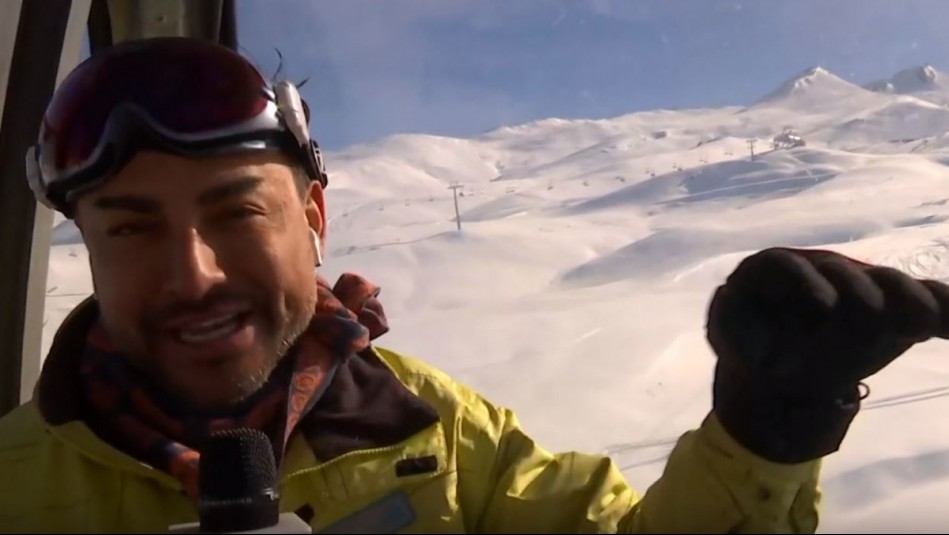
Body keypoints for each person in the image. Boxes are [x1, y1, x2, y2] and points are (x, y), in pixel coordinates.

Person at [1, 37, 947, 534]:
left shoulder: (438, 435)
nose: (192, 274)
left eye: (237, 211)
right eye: (130, 226)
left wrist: (765, 432)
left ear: (315, 219)